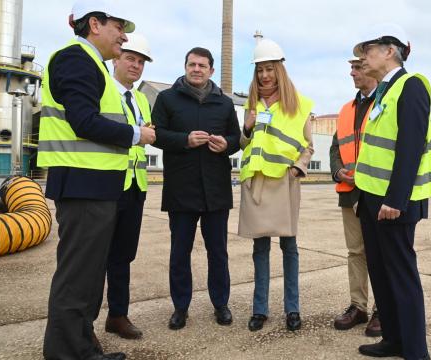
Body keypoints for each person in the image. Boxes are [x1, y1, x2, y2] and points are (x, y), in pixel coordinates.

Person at [37, 1, 156, 359]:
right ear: (94, 24)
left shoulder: (92, 64)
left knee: (87, 277)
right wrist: (137, 134)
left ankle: (81, 346)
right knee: (77, 277)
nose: (124, 35)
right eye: (119, 26)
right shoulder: (76, 59)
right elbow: (84, 122)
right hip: (82, 184)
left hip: (94, 185)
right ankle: (69, 352)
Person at [352, 26, 431, 360]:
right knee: (381, 272)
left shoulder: (411, 85)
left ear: (390, 51)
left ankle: (416, 351)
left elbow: (410, 146)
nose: (362, 57)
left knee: (401, 274)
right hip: (372, 197)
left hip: (395, 200)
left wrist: (395, 200)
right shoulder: (383, 93)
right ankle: (394, 339)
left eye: (368, 50)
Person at [152, 47, 240, 331]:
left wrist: (228, 144)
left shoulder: (224, 104)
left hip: (216, 189)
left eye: (202, 65)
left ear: (211, 70)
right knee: (180, 253)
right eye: (192, 64)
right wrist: (184, 140)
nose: (197, 69)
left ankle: (221, 304)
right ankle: (180, 308)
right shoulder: (167, 99)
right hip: (181, 189)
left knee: (218, 252)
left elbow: (236, 138)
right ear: (185, 66)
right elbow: (156, 135)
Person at [238, 38, 314, 332]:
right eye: (260, 70)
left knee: (289, 246)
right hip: (256, 181)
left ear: (279, 70)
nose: (264, 75)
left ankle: (292, 309)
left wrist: (299, 168)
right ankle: (260, 310)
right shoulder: (250, 104)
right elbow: (244, 143)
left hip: (284, 182)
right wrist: (247, 126)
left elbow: (308, 145)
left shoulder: (300, 104)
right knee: (260, 248)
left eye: (269, 69)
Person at [103, 33, 153, 340]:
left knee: (123, 256)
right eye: (130, 59)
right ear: (115, 59)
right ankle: (83, 325)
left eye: (140, 62)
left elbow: (144, 137)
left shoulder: (142, 99)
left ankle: (117, 316)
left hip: (134, 185)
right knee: (95, 258)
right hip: (105, 184)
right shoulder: (103, 88)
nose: (135, 66)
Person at [329, 57, 381, 337]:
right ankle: (358, 306)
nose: (352, 72)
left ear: (372, 68)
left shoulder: (385, 103)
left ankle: (383, 308)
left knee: (381, 253)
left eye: (358, 67)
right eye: (350, 67)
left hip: (377, 191)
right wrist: (338, 172)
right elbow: (336, 147)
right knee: (355, 252)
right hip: (350, 192)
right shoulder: (346, 109)